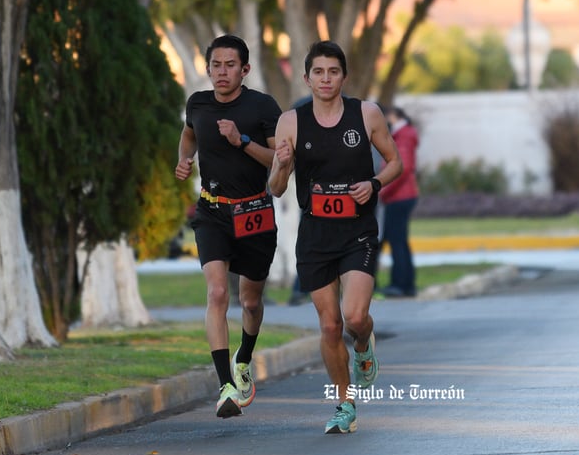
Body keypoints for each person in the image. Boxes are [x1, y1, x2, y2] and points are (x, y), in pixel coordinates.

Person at [268, 41, 402, 434]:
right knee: (329, 326)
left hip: (357, 230)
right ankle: (344, 403)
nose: (326, 79)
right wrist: (282, 165)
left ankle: (363, 344)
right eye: (319, 72)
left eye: (334, 72)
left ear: (344, 76)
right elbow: (276, 188)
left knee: (355, 317)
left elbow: (396, 162)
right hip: (315, 235)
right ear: (306, 77)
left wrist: (373, 184)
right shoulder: (291, 122)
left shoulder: (367, 114)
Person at [175, 35, 280, 419]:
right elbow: (189, 135)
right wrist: (185, 160)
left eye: (230, 65)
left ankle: (244, 358)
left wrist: (242, 140)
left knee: (250, 301)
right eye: (216, 65)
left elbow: (277, 161)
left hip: (253, 213)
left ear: (245, 70)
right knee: (218, 292)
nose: (222, 72)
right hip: (212, 212)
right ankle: (224, 388)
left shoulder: (262, 106)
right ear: (208, 69)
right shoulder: (197, 104)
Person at [378, 105, 419, 297]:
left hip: (399, 196)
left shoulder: (404, 135)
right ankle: (405, 283)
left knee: (397, 241)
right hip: (400, 195)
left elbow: (401, 168)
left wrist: (380, 189)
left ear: (393, 116)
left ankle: (401, 284)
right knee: (399, 240)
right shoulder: (403, 134)